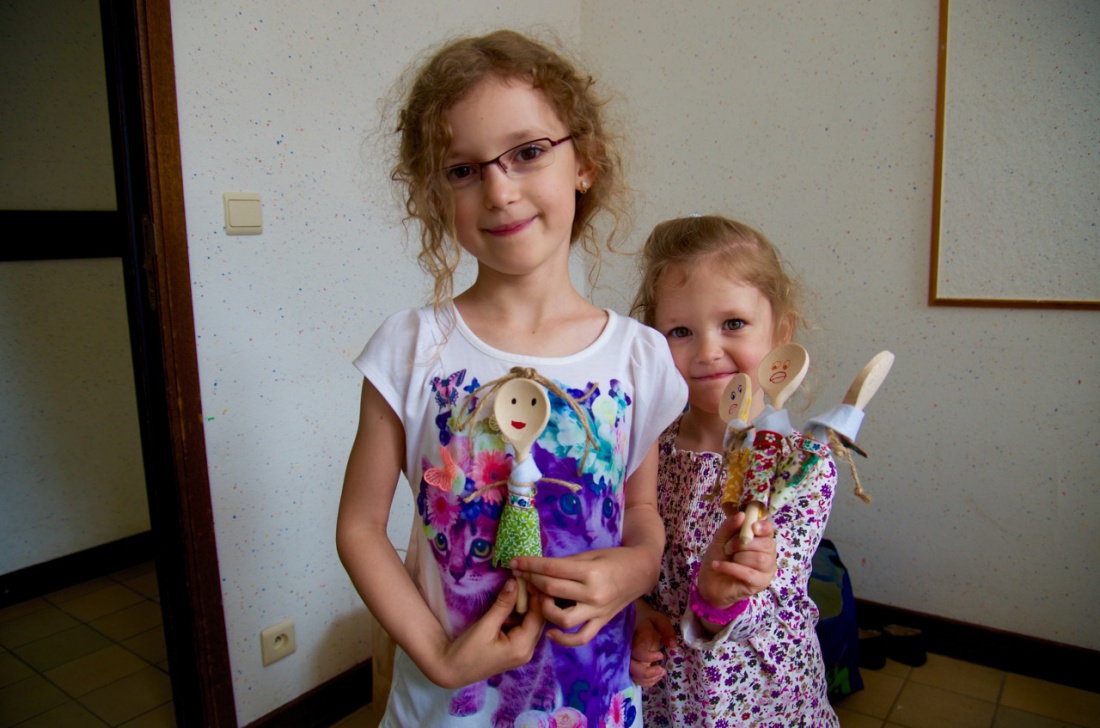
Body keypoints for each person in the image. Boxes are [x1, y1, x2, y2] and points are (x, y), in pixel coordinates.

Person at [336, 30, 688, 727]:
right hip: (445, 706)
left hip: (590, 700)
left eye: (527, 152)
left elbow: (641, 509)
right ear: (434, 193)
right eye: (462, 169)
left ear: (584, 162)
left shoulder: (640, 357)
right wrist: (439, 657)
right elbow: (360, 527)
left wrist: (639, 569)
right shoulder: (410, 348)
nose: (499, 191)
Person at [629, 215, 840, 727]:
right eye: (680, 331)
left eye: (734, 324)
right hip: (668, 697)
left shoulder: (801, 465)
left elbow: (775, 597)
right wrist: (635, 613)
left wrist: (718, 601)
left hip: (763, 699)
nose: (707, 351)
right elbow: (629, 554)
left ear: (781, 334)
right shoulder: (646, 444)